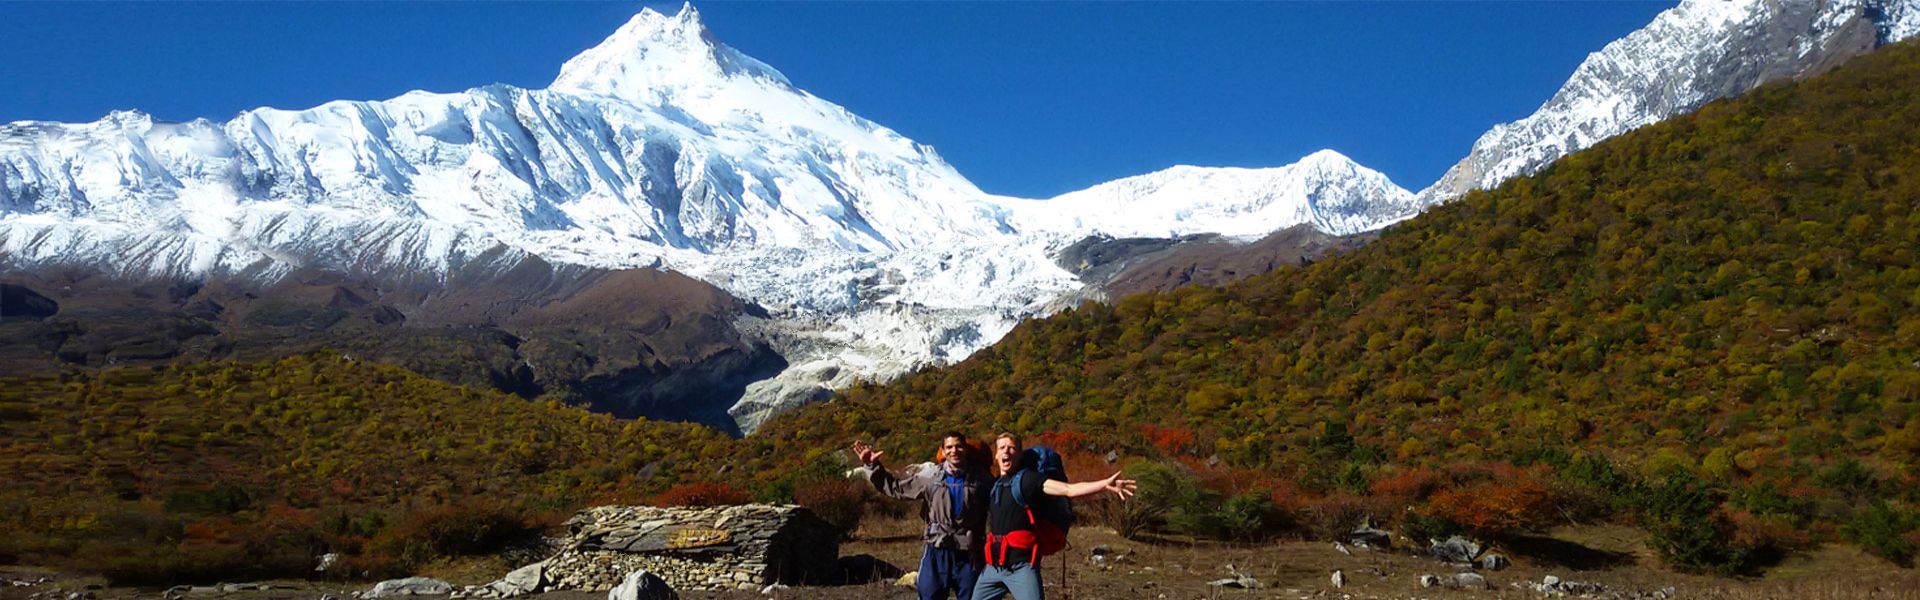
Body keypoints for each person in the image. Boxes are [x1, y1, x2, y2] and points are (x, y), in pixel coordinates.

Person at [972, 433, 1136, 600]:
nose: (1006, 451)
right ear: (997, 455)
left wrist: (1104, 485)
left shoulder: (1028, 480)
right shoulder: (995, 485)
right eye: (1002, 448)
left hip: (1021, 568)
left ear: (1019, 455)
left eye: (1012, 448)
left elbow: (1068, 489)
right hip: (992, 568)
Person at [853, 433, 991, 600]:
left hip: (970, 552)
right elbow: (897, 488)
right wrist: (872, 465)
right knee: (929, 595)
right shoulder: (932, 477)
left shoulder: (982, 479)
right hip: (936, 549)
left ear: (965, 449)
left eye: (958, 446)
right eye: (949, 447)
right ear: (943, 451)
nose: (954, 451)